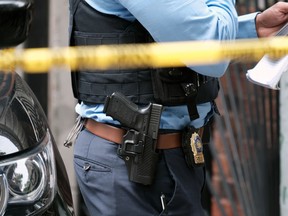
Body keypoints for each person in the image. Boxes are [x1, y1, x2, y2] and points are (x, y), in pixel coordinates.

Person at [67, 1, 288, 215]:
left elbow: (184, 37)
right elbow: (211, 50)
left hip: (162, 159)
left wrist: (252, 29)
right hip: (134, 162)